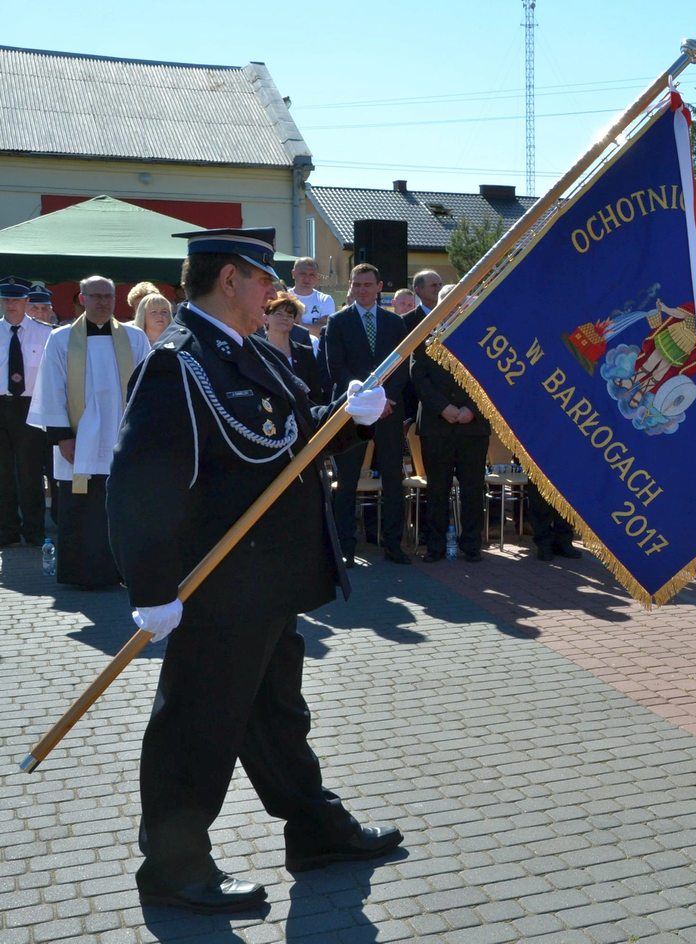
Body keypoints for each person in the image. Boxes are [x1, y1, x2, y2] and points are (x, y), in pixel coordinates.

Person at [107, 226, 401, 914]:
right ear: (229, 279)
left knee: (276, 715)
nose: (274, 291)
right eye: (262, 278)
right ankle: (174, 866)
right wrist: (151, 591)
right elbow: (139, 485)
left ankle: (314, 829)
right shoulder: (179, 364)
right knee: (196, 725)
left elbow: (292, 439)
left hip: (268, 584)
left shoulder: (251, 353)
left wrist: (350, 415)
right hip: (216, 585)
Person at [27, 275, 150, 587]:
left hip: (120, 437)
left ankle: (122, 571)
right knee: (82, 507)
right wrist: (62, 437)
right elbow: (52, 389)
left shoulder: (135, 339)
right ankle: (83, 574)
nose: (102, 302)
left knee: (121, 506)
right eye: (95, 296)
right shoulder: (61, 338)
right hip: (78, 439)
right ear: (81, 299)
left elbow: (147, 389)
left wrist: (141, 436)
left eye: (107, 296)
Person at [323, 263, 412, 564]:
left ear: (379, 287)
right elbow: (336, 369)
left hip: (388, 412)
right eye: (356, 285)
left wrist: (384, 401)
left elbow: (402, 366)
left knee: (392, 478)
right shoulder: (337, 322)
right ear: (351, 287)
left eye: (367, 284)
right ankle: (345, 548)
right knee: (346, 482)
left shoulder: (395, 323)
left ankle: (392, 545)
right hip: (351, 413)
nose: (362, 290)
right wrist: (366, 402)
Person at [409, 282, 489, 563]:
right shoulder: (422, 336)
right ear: (439, 306)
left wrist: (471, 409)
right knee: (437, 489)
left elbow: (490, 378)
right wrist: (443, 408)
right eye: (448, 302)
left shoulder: (483, 336)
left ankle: (471, 546)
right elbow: (418, 377)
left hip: (473, 425)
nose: (454, 307)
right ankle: (435, 547)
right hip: (436, 424)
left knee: (472, 488)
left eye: (459, 302)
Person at [0, 277, 51, 546]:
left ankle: (34, 530)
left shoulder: (45, 333)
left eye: (16, 300)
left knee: (30, 472)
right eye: (6, 299)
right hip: (1, 405)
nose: (11, 305)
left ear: (26, 302)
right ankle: (7, 530)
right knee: (3, 473)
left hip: (30, 407)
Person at [264, 292, 326, 404]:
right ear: (266, 318)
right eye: (279, 314)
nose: (285, 318)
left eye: (289, 315)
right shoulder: (257, 352)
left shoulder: (305, 353)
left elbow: (316, 393)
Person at [289, 256, 336, 332]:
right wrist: (315, 326)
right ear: (293, 274)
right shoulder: (284, 297)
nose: (307, 279)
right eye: (303, 274)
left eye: (312, 275)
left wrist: (299, 324)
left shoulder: (325, 300)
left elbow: (326, 331)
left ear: (317, 276)